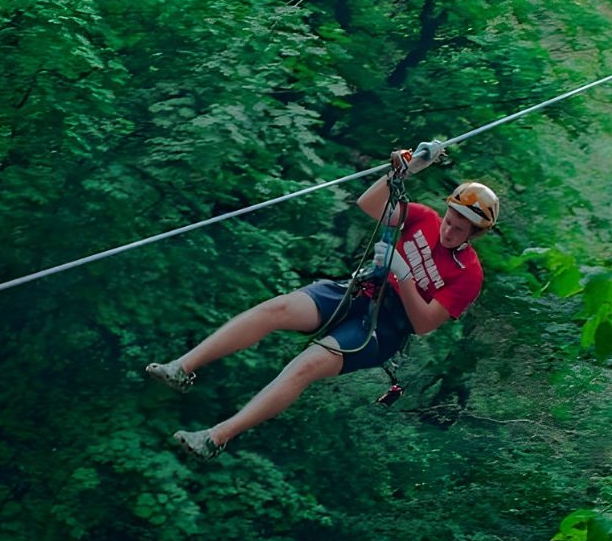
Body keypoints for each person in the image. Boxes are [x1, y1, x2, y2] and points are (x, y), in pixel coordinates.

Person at [146, 142, 499, 459]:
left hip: (385, 328)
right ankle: (182, 368)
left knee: (307, 365)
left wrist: (403, 274)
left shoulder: (468, 274)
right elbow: (369, 203)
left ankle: (215, 438)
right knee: (277, 308)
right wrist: (404, 171)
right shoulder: (423, 218)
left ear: (475, 234)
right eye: (450, 220)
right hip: (361, 291)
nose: (448, 230)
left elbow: (423, 324)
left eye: (459, 229)